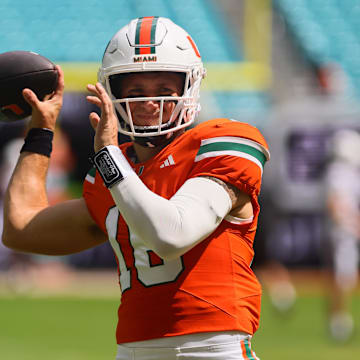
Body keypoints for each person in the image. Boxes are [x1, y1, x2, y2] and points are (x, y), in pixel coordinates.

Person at [2, 16, 270, 359]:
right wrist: (40, 132)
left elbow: (171, 234)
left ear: (189, 88)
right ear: (112, 93)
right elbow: (21, 229)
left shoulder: (221, 141)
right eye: (135, 92)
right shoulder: (110, 173)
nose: (148, 103)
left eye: (163, 91)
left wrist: (111, 159)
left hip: (213, 349)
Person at [323, 128, 360, 342]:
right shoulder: (339, 172)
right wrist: (351, 224)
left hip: (345, 229)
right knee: (342, 275)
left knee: (345, 275)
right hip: (342, 231)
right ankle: (339, 321)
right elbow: (335, 203)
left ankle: (339, 319)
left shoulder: (346, 172)